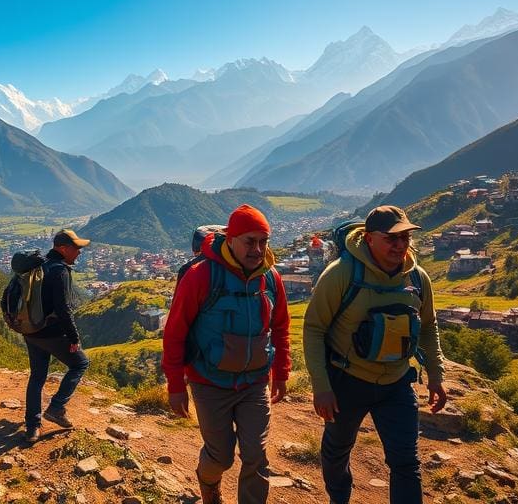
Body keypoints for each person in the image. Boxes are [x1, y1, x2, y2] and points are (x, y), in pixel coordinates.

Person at [303, 205, 447, 504]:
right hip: (347, 381)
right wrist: (321, 386)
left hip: (397, 383)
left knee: (406, 462)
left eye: (405, 237)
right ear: (369, 239)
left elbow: (428, 325)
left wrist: (436, 374)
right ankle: (339, 497)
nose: (400, 245)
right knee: (337, 451)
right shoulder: (342, 274)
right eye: (391, 238)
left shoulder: (417, 278)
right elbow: (314, 329)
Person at [162, 204, 291, 504]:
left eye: (263, 241)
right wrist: (176, 385)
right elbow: (175, 332)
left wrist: (281, 372)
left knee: (256, 454)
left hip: (254, 383)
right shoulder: (201, 276)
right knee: (220, 456)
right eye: (250, 241)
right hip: (209, 383)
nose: (257, 249)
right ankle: (208, 483)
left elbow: (281, 326)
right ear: (231, 239)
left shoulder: (270, 278)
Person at [22, 229, 91, 444]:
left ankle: (32, 427)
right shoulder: (59, 271)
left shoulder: (38, 266)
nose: (79, 252)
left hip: (31, 331)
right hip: (52, 333)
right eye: (76, 248)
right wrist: (74, 337)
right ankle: (57, 407)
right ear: (62, 249)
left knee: (37, 377)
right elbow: (64, 309)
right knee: (80, 363)